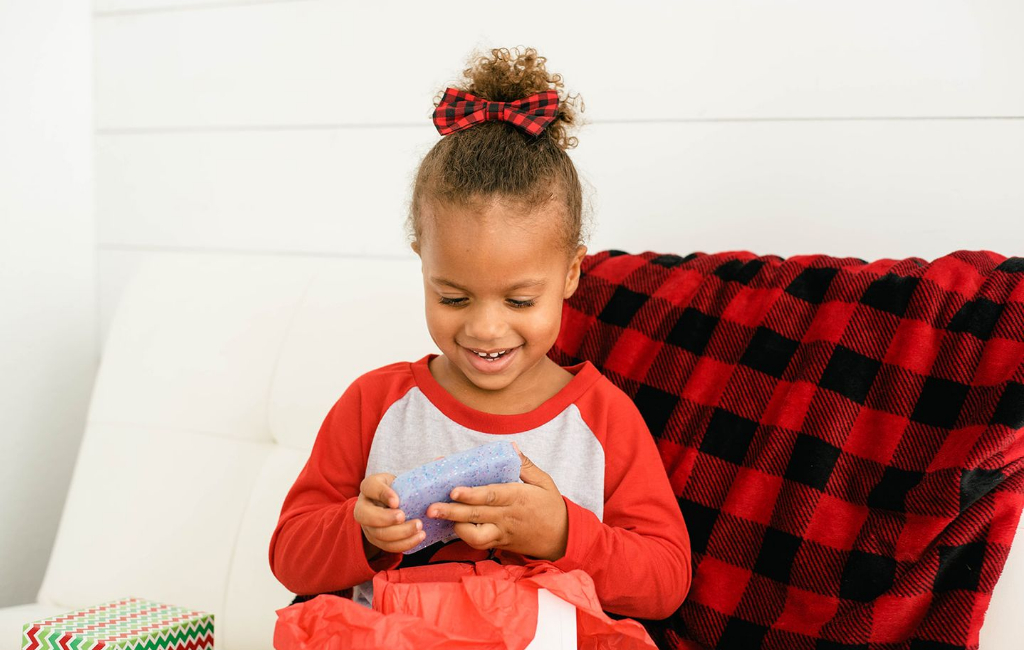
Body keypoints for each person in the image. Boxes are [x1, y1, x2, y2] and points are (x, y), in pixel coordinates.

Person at [268, 46, 691, 620]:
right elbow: (291, 558)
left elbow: (665, 583)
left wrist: (564, 534)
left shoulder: (601, 420)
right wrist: (362, 532)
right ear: (422, 264)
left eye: (520, 300)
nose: (485, 328)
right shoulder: (377, 404)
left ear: (570, 274)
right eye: (452, 297)